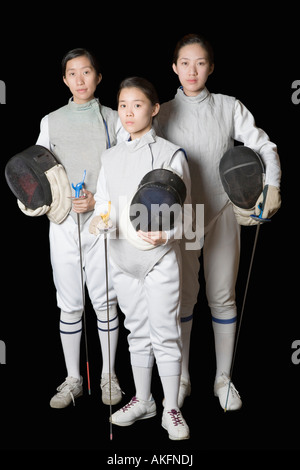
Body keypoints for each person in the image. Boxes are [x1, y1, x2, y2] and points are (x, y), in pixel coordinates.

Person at [155, 33, 281, 411]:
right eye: (185, 63)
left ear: (210, 67)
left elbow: (263, 145)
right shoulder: (162, 112)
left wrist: (271, 185)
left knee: (223, 296)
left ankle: (223, 379)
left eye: (200, 63)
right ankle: (182, 378)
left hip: (223, 210)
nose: (192, 71)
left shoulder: (229, 106)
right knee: (184, 298)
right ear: (175, 67)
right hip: (186, 215)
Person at [89, 76, 192, 440]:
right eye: (122, 105)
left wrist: (167, 234)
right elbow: (103, 202)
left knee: (165, 333)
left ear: (154, 108)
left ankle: (171, 409)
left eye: (137, 104)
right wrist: (101, 220)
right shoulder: (110, 156)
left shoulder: (170, 154)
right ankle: (144, 399)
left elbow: (189, 214)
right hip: (121, 257)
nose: (129, 112)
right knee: (137, 333)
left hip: (159, 258)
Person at [36, 48, 124, 408]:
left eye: (86, 72)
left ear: (98, 77)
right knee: (70, 304)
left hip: (101, 222)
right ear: (64, 80)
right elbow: (35, 173)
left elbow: (124, 169)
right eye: (72, 73)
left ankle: (108, 377)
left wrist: (98, 203)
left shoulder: (113, 118)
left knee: (105, 301)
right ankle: (73, 377)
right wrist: (56, 203)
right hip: (62, 222)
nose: (80, 79)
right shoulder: (50, 121)